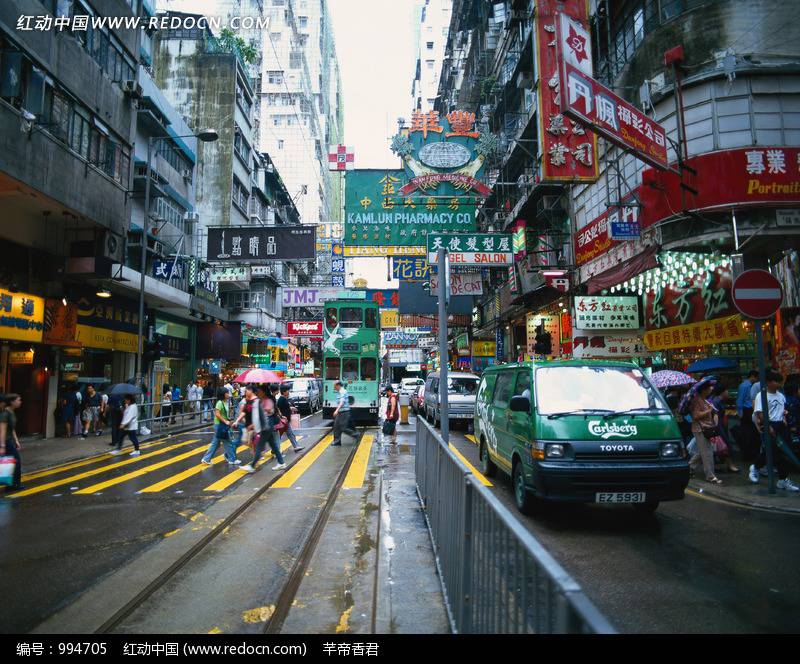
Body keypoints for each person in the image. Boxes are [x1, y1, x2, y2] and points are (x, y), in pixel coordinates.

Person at [750, 371, 800, 491]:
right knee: (771, 452)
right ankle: (755, 466)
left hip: (781, 426)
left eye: (780, 381)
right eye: (776, 381)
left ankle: (783, 480)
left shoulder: (781, 395)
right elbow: (760, 413)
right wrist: (768, 427)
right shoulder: (761, 396)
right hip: (769, 425)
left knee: (784, 453)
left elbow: (783, 409)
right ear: (768, 382)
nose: (779, 384)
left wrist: (784, 417)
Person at [241, 385, 286, 472]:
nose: (258, 392)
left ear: (264, 392)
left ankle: (252, 466)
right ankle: (281, 463)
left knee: (259, 446)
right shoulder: (260, 400)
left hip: (266, 426)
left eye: (260, 391)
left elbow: (268, 412)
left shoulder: (267, 400)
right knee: (274, 446)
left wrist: (263, 410)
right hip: (266, 426)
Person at [687, 377, 723, 485]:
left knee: (702, 452)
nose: (711, 389)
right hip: (700, 429)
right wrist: (709, 411)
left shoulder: (705, 399)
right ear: (703, 389)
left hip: (706, 428)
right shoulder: (696, 400)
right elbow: (696, 416)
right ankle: (710, 476)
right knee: (707, 453)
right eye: (709, 387)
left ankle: (688, 468)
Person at [201, 387, 239, 466]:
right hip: (219, 425)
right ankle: (232, 459)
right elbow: (217, 414)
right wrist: (225, 421)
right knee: (227, 442)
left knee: (216, 443)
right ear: (223, 394)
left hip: (222, 425)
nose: (229, 394)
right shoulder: (219, 402)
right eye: (227, 393)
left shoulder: (226, 402)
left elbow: (225, 413)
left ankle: (206, 459)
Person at [0, 394, 23, 490]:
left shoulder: (11, 412)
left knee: (12, 462)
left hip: (9, 441)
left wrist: (16, 441)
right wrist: (2, 446)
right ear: (12, 402)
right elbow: (3, 430)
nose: (20, 402)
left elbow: (12, 428)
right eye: (18, 400)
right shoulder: (5, 414)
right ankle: (13, 484)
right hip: (5, 441)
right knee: (15, 461)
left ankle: (12, 484)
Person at [332, 380, 362, 447]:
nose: (333, 387)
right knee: (336, 427)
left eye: (334, 386)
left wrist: (336, 410)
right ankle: (337, 441)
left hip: (344, 412)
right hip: (340, 412)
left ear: (338, 385)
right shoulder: (339, 391)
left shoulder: (342, 391)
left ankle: (357, 435)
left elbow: (342, 402)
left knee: (343, 428)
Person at [277, 384, 304, 453]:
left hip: (285, 421)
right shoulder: (282, 399)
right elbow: (278, 409)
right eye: (287, 390)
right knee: (280, 436)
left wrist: (291, 408)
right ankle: (276, 449)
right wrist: (281, 416)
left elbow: (285, 408)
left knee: (289, 434)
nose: (288, 392)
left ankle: (296, 446)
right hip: (283, 421)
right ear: (284, 392)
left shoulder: (283, 399)